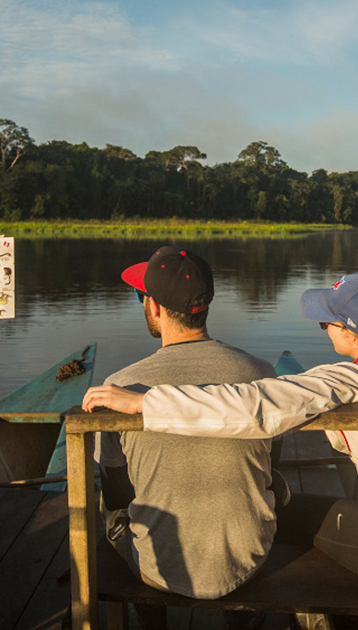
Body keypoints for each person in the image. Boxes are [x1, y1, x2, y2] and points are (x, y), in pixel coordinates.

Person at [84, 272, 358, 589]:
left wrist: (145, 402)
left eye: (327, 323)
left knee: (283, 513)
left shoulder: (348, 380)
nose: (322, 328)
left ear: (350, 333)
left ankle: (315, 612)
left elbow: (255, 406)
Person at [94, 245, 278, 625]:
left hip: (158, 571)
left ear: (154, 308)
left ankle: (151, 620)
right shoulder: (261, 373)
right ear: (205, 304)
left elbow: (116, 492)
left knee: (107, 508)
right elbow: (271, 467)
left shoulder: (121, 386)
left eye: (141, 296)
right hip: (248, 561)